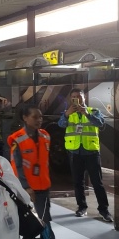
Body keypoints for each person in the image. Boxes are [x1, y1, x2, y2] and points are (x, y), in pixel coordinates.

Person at [58, 88, 112, 222]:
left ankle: (104, 210)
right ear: (71, 99)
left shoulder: (94, 111)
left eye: (79, 96)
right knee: (78, 182)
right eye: (74, 97)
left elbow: (100, 123)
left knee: (97, 182)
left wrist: (87, 114)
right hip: (75, 152)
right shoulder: (68, 113)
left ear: (84, 98)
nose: (77, 99)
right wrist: (66, 114)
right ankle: (81, 207)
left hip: (91, 151)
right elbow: (60, 124)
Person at [8, 105, 52, 224]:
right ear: (25, 118)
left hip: (43, 187)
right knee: (27, 224)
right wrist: (26, 187)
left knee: (45, 221)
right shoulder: (18, 139)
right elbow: (17, 166)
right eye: (35, 117)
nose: (39, 120)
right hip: (26, 188)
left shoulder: (45, 136)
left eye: (41, 117)